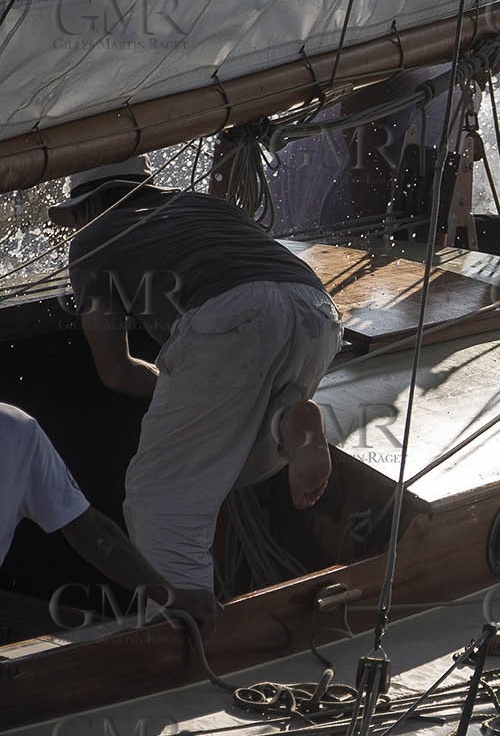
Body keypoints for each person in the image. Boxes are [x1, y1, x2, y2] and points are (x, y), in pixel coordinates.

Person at [50, 156, 343, 616]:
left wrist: (181, 390)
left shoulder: (92, 238)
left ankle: (186, 631)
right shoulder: (206, 205)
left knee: (159, 499)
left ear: (86, 206)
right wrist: (193, 393)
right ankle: (287, 417)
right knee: (231, 453)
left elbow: (116, 371)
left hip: (231, 320)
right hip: (316, 309)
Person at [0, 402, 216, 636]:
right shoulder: (16, 429)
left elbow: (95, 535)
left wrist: (172, 597)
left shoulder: (18, 431)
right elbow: (94, 534)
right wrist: (173, 597)